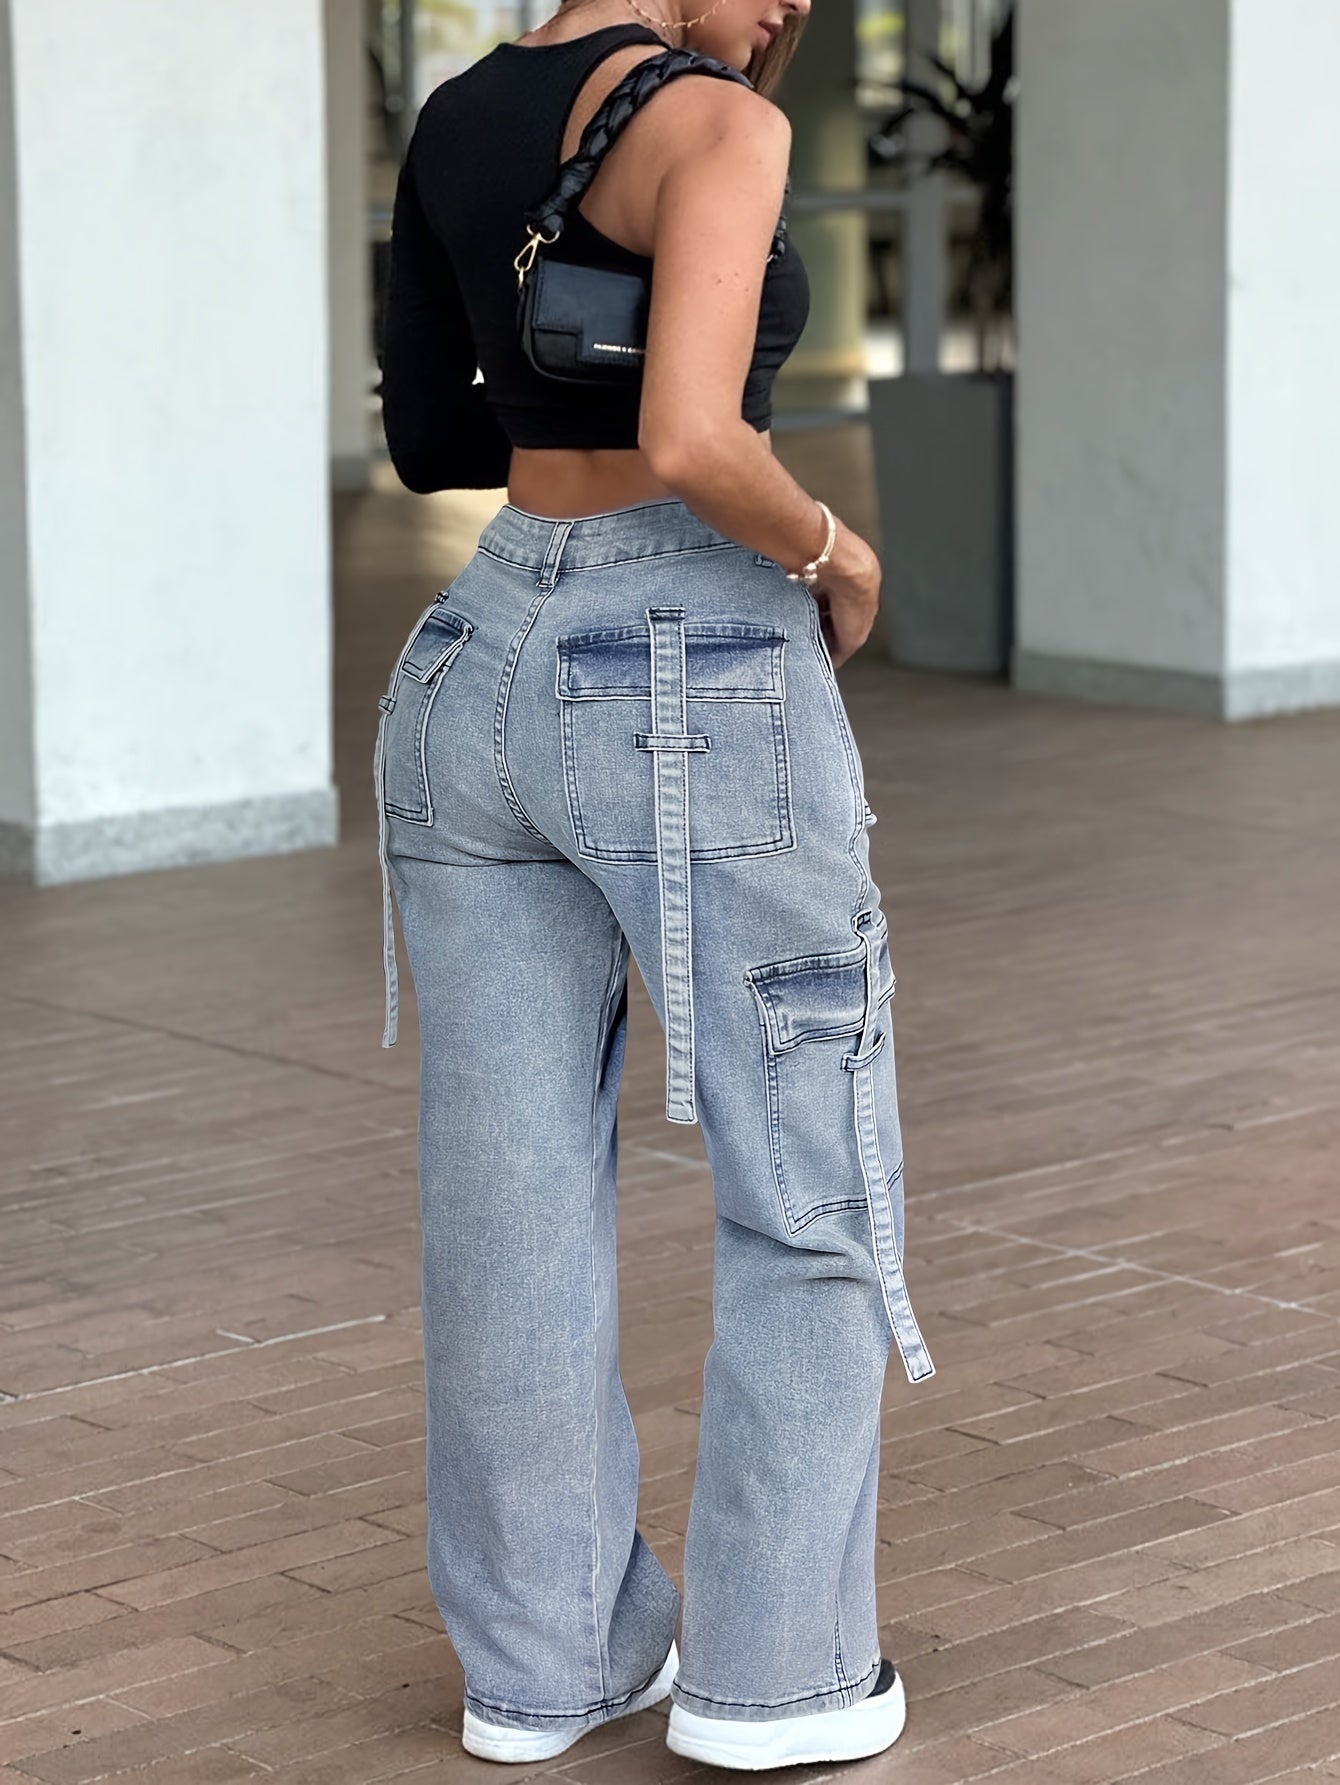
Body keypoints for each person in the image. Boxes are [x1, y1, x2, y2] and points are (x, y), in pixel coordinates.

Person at [374, 0, 938, 1769]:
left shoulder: (460, 117)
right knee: (805, 1170)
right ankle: (777, 1677)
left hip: (475, 661)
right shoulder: (715, 128)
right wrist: (836, 550)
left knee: (507, 1196)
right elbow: (696, 440)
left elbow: (430, 436)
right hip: (697, 662)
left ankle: (545, 1663)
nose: (791, 12)